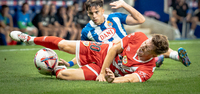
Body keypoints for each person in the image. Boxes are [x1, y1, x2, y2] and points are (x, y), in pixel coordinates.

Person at [10, 30, 170, 83]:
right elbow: (113, 49)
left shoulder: (147, 69)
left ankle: (52, 67)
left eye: (147, 47)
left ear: (154, 54)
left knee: (63, 75)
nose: (143, 45)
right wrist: (103, 72)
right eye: (146, 42)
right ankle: (30, 39)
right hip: (102, 51)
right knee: (65, 45)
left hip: (103, 70)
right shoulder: (139, 36)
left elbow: (129, 79)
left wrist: (112, 79)